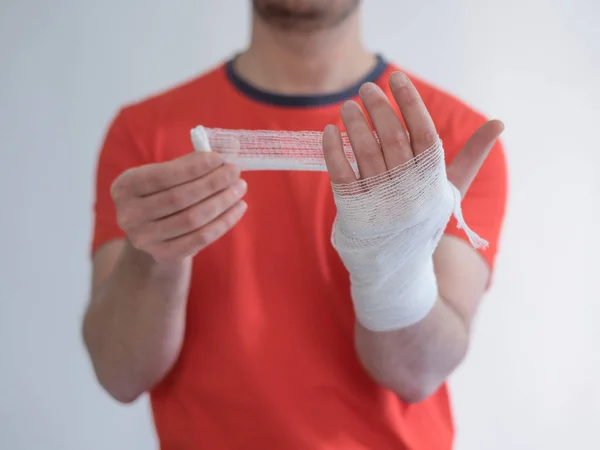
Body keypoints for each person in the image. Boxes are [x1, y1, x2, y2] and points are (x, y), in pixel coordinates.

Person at [82, 1, 507, 448]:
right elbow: (119, 374)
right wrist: (154, 253)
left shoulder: (446, 141)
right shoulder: (145, 133)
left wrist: (393, 265)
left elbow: (416, 374)